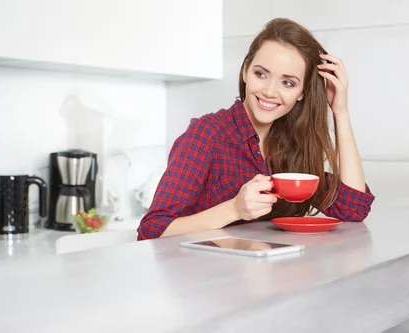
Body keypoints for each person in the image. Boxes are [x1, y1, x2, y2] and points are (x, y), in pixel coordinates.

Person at [137, 18, 375, 241]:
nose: (270, 91)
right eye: (261, 74)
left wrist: (340, 112)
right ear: (245, 71)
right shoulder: (207, 134)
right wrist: (233, 209)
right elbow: (151, 230)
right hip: (210, 280)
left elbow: (353, 207)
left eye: (287, 82)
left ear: (302, 92)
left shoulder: (294, 146)